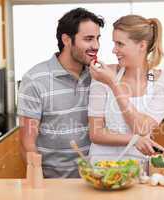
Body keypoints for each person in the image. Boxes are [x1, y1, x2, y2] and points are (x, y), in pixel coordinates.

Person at [17, 8, 104, 178]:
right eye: (88, 39)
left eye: (97, 38)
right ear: (66, 39)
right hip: (53, 182)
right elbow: (27, 142)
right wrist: (39, 182)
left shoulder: (98, 76)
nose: (96, 46)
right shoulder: (35, 79)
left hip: (97, 178)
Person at [88, 15, 164, 157]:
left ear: (142, 46)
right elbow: (96, 133)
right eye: (114, 43)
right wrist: (133, 139)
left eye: (120, 44)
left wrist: (114, 85)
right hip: (101, 167)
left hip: (139, 168)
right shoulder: (103, 74)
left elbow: (141, 128)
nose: (114, 50)